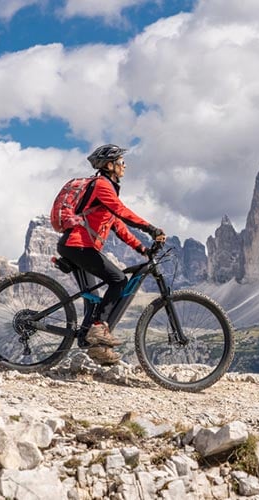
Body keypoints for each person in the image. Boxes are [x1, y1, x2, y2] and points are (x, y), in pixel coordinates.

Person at [57, 144, 166, 365]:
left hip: (79, 246)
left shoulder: (106, 190)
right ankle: (99, 330)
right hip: (78, 245)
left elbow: (118, 225)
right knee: (118, 279)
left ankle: (97, 349)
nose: (124, 165)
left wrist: (142, 249)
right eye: (121, 162)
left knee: (94, 302)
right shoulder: (102, 185)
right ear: (109, 165)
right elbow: (122, 212)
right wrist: (151, 229)